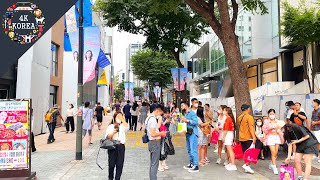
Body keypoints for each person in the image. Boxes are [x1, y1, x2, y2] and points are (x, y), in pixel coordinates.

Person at [105, 112, 129, 180]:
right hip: (112, 146)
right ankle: (110, 178)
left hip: (121, 146)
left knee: (119, 164)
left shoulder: (123, 126)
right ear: (114, 118)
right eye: (117, 117)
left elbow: (127, 127)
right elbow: (107, 137)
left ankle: (117, 178)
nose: (119, 119)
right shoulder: (110, 126)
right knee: (111, 164)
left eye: (120, 117)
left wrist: (122, 118)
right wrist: (113, 132)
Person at [146, 104, 166, 180]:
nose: (160, 115)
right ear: (157, 111)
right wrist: (161, 133)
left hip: (151, 143)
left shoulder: (148, 118)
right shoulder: (153, 119)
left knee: (153, 163)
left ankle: (152, 178)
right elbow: (153, 133)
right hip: (155, 143)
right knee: (154, 164)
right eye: (160, 113)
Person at [262, 109, 284, 175]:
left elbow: (282, 129)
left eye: (273, 114)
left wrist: (279, 130)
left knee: (276, 152)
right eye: (270, 114)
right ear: (268, 114)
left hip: (277, 137)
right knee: (273, 152)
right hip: (270, 137)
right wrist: (269, 129)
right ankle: (274, 167)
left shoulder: (278, 121)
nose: (272, 115)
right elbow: (264, 129)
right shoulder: (266, 122)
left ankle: (272, 163)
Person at [237, 104, 256, 174]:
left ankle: (247, 166)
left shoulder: (239, 117)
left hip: (242, 137)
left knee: (245, 152)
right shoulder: (249, 117)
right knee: (250, 152)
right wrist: (254, 137)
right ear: (247, 109)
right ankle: (246, 165)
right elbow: (251, 128)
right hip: (248, 137)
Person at [181, 101, 199, 173]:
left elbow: (196, 122)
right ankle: (191, 163)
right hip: (187, 133)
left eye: (182, 105)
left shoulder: (192, 113)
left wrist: (187, 120)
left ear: (186, 105)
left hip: (193, 133)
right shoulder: (185, 113)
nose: (181, 107)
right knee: (189, 149)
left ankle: (196, 165)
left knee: (193, 149)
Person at [223, 107, 237, 171]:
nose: (223, 111)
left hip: (228, 134)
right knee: (229, 149)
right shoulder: (230, 118)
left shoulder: (228, 119)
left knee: (230, 149)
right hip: (230, 133)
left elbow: (226, 129)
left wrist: (223, 137)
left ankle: (233, 164)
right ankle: (231, 163)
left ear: (227, 111)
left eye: (224, 110)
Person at [311, 99, 320, 163]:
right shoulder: (313, 111)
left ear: (317, 103)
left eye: (313, 102)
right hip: (313, 129)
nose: (312, 103)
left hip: (318, 129)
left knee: (319, 142)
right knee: (315, 142)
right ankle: (316, 154)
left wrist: (315, 123)